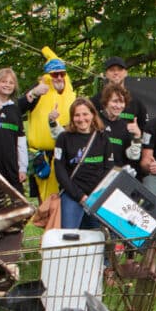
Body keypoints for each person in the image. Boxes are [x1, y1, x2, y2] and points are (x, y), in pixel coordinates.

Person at [52, 98, 114, 229]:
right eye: (77, 115)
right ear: (72, 117)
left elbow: (108, 169)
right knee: (69, 236)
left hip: (96, 196)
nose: (81, 119)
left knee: (96, 236)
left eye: (85, 114)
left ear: (92, 114)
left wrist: (96, 195)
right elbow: (60, 170)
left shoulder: (103, 138)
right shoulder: (63, 138)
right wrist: (79, 196)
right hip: (72, 194)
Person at [25, 55, 75, 201]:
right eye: (54, 74)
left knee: (65, 197)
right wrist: (33, 93)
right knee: (46, 202)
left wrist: (46, 51)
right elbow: (18, 108)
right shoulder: (37, 92)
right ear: (47, 76)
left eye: (62, 74)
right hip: (42, 157)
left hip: (65, 154)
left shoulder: (70, 94)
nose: (59, 78)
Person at [90, 56, 148, 130]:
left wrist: (137, 136)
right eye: (112, 70)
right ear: (106, 74)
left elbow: (145, 129)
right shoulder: (95, 100)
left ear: (126, 73)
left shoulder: (136, 102)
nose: (116, 73)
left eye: (120, 69)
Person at [96, 83, 144, 170]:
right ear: (106, 101)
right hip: (95, 174)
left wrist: (137, 136)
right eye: (115, 101)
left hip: (115, 175)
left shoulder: (125, 126)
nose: (118, 106)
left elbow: (133, 156)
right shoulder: (95, 121)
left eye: (122, 102)